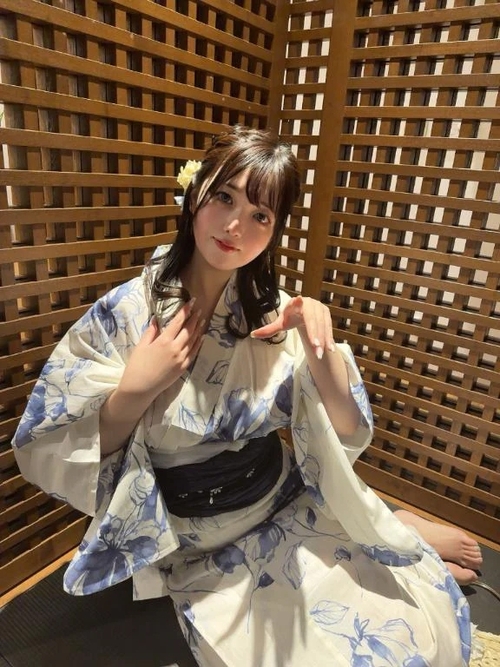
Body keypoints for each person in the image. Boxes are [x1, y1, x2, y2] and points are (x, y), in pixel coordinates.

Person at [12, 126, 481, 666]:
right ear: (194, 195)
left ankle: (395, 535)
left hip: (282, 496)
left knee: (415, 630)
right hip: (200, 540)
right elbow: (49, 445)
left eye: (260, 214)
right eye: (224, 197)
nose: (236, 225)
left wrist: (322, 351)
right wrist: (134, 390)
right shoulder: (125, 313)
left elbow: (348, 431)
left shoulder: (274, 312)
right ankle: (393, 536)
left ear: (275, 230)